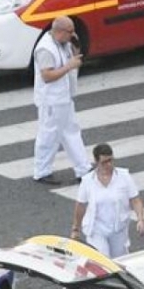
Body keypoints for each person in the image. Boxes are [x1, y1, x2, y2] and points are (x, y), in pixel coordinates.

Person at [32, 15, 93, 185]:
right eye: (70, 31)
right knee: (49, 134)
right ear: (58, 31)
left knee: (71, 132)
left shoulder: (63, 43)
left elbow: (75, 57)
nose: (73, 34)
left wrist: (75, 45)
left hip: (64, 97)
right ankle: (41, 171)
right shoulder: (45, 49)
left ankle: (83, 168)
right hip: (51, 100)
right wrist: (69, 66)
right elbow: (47, 76)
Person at [71, 143, 144, 258]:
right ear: (96, 162)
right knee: (103, 258)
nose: (109, 165)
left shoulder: (124, 176)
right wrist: (76, 228)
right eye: (104, 162)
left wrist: (140, 219)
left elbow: (135, 200)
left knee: (119, 260)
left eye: (111, 160)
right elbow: (80, 205)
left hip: (118, 229)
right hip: (97, 229)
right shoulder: (87, 181)